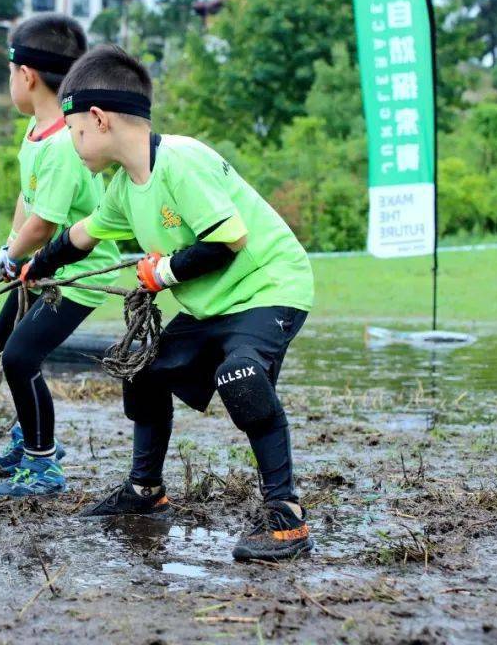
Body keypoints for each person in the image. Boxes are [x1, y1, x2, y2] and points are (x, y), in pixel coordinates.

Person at [21, 45, 316, 561]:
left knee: (242, 377)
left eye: (73, 129)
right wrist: (34, 267)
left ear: (97, 119)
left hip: (270, 288)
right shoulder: (122, 189)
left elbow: (228, 240)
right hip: (212, 306)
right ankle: (144, 491)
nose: (72, 140)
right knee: (142, 370)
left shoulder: (181, 160)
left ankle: (285, 514)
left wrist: (162, 272)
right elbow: (80, 237)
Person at [0, 14, 121, 498]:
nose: (10, 84)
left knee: (21, 356)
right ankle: (32, 435)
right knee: (5, 337)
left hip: (77, 273)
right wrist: (12, 247)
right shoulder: (37, 130)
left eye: (9, 75)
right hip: (42, 269)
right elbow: (30, 200)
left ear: (26, 75)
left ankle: (43, 467)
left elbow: (46, 222)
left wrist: (11, 252)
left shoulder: (65, 142)